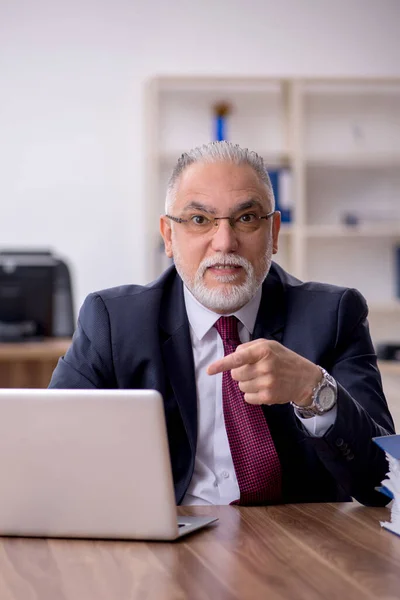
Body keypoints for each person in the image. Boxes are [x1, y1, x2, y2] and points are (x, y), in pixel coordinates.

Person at [49, 141, 395, 507]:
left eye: (246, 218)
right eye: (200, 220)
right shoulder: (112, 321)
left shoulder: (335, 315)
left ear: (274, 233)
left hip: (297, 545)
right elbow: (51, 449)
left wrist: (314, 391)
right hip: (166, 538)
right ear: (169, 236)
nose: (225, 242)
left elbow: (382, 482)